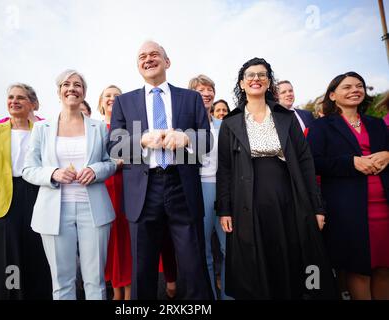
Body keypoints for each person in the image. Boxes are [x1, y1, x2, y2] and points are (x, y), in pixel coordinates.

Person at [216, 58, 337, 299]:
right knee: (257, 263)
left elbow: (305, 162)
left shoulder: (286, 117)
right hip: (247, 200)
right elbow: (225, 169)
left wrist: (317, 207)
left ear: (269, 82)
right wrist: (224, 209)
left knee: (292, 257)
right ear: (242, 83)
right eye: (250, 75)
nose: (256, 79)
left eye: (262, 75)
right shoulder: (230, 122)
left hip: (289, 195)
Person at [108, 40, 212, 300]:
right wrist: (142, 140)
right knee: (142, 267)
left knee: (193, 264)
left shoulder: (191, 98)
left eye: (154, 54)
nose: (148, 59)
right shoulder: (124, 102)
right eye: (142, 56)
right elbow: (114, 147)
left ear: (167, 62)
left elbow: (207, 141)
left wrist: (186, 139)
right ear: (138, 66)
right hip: (143, 191)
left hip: (182, 186)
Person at [23, 70, 116, 300]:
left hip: (93, 210)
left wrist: (95, 170)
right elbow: (28, 169)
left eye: (77, 84)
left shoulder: (98, 128)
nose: (71, 88)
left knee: (95, 280)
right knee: (62, 281)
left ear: (84, 92)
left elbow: (111, 162)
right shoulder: (41, 128)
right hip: (54, 211)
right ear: (59, 92)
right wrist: (53, 173)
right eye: (66, 84)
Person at [307, 72, 389, 300]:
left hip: (383, 207)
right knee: (358, 269)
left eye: (359, 86)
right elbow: (313, 162)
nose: (355, 90)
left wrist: (388, 154)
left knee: (384, 267)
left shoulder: (377, 124)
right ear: (333, 95)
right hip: (348, 208)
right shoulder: (321, 127)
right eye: (347, 87)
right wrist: (349, 162)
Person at [0, 83, 52, 300]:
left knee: (38, 253)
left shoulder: (45, 130)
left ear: (33, 104)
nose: (14, 101)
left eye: (21, 98)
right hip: (5, 199)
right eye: (11, 97)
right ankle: (11, 296)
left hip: (38, 195)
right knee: (8, 256)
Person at [188, 74, 228, 300]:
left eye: (210, 89)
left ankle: (229, 296)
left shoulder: (225, 125)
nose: (206, 92)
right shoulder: (185, 125)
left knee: (228, 249)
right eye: (201, 89)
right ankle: (210, 296)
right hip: (198, 189)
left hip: (223, 190)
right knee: (203, 252)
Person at [98, 85, 132, 300]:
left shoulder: (130, 129)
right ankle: (116, 291)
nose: (112, 99)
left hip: (126, 188)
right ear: (101, 103)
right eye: (107, 96)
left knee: (126, 241)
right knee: (107, 243)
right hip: (102, 188)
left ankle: (129, 293)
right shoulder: (94, 128)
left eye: (116, 96)